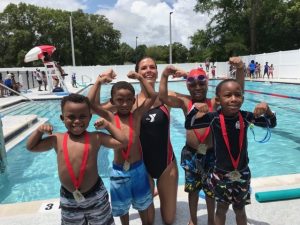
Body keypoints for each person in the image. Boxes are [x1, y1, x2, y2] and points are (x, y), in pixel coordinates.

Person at [90, 57, 178, 225]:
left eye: (153, 67)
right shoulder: (127, 101)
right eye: (144, 68)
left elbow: (196, 97)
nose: (149, 70)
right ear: (137, 72)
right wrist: (100, 80)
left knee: (168, 219)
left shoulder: (167, 96)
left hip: (166, 163)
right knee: (149, 220)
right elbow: (92, 106)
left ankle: (161, 188)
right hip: (140, 166)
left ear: (157, 71)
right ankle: (151, 188)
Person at [159, 57, 245, 225]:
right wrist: (164, 75)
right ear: (187, 86)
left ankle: (211, 220)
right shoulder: (185, 101)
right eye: (192, 84)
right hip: (191, 153)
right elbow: (163, 97)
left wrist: (240, 69)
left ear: (207, 84)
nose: (197, 87)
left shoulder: (215, 102)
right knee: (192, 190)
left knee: (211, 190)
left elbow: (237, 90)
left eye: (201, 83)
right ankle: (193, 219)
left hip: (213, 154)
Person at [185, 79, 277, 225]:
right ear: (218, 100)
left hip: (242, 173)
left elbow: (271, 124)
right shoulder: (213, 118)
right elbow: (189, 124)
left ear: (243, 98)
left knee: (240, 209)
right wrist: (195, 109)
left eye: (237, 95)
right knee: (221, 209)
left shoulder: (246, 117)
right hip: (220, 173)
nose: (233, 99)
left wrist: (268, 110)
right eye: (228, 95)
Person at [26, 93, 128, 225]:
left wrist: (108, 125)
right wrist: (39, 131)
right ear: (62, 118)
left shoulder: (96, 137)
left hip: (96, 195)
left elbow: (123, 141)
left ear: (90, 117)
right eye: (71, 117)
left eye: (82, 116)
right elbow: (31, 147)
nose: (77, 121)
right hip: (69, 197)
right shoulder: (57, 139)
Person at [87, 69, 157, 225]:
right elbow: (90, 104)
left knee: (143, 205)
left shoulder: (137, 115)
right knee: (122, 208)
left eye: (128, 99)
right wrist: (98, 82)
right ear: (112, 101)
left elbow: (153, 96)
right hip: (119, 170)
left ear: (134, 100)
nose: (124, 104)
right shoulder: (110, 117)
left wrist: (140, 77)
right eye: (119, 100)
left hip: (138, 168)